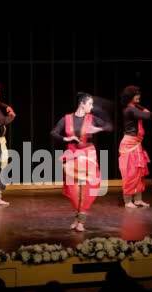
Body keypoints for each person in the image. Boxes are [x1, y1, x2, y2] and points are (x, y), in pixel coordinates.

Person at [51, 92, 112, 231]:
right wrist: (65, 139)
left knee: (87, 187)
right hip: (72, 155)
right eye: (89, 103)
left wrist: (98, 129)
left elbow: (109, 126)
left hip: (88, 154)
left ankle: (81, 221)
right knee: (73, 189)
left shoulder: (92, 118)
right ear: (82, 104)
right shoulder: (66, 119)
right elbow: (54, 132)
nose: (91, 106)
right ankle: (78, 216)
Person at [119, 85, 152, 208]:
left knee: (139, 172)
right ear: (130, 97)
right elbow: (148, 116)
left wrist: (140, 106)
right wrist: (144, 109)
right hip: (129, 144)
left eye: (139, 94)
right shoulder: (130, 109)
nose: (139, 96)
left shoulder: (134, 107)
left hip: (137, 143)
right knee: (131, 173)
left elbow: (147, 114)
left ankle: (138, 199)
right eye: (136, 94)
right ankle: (128, 200)